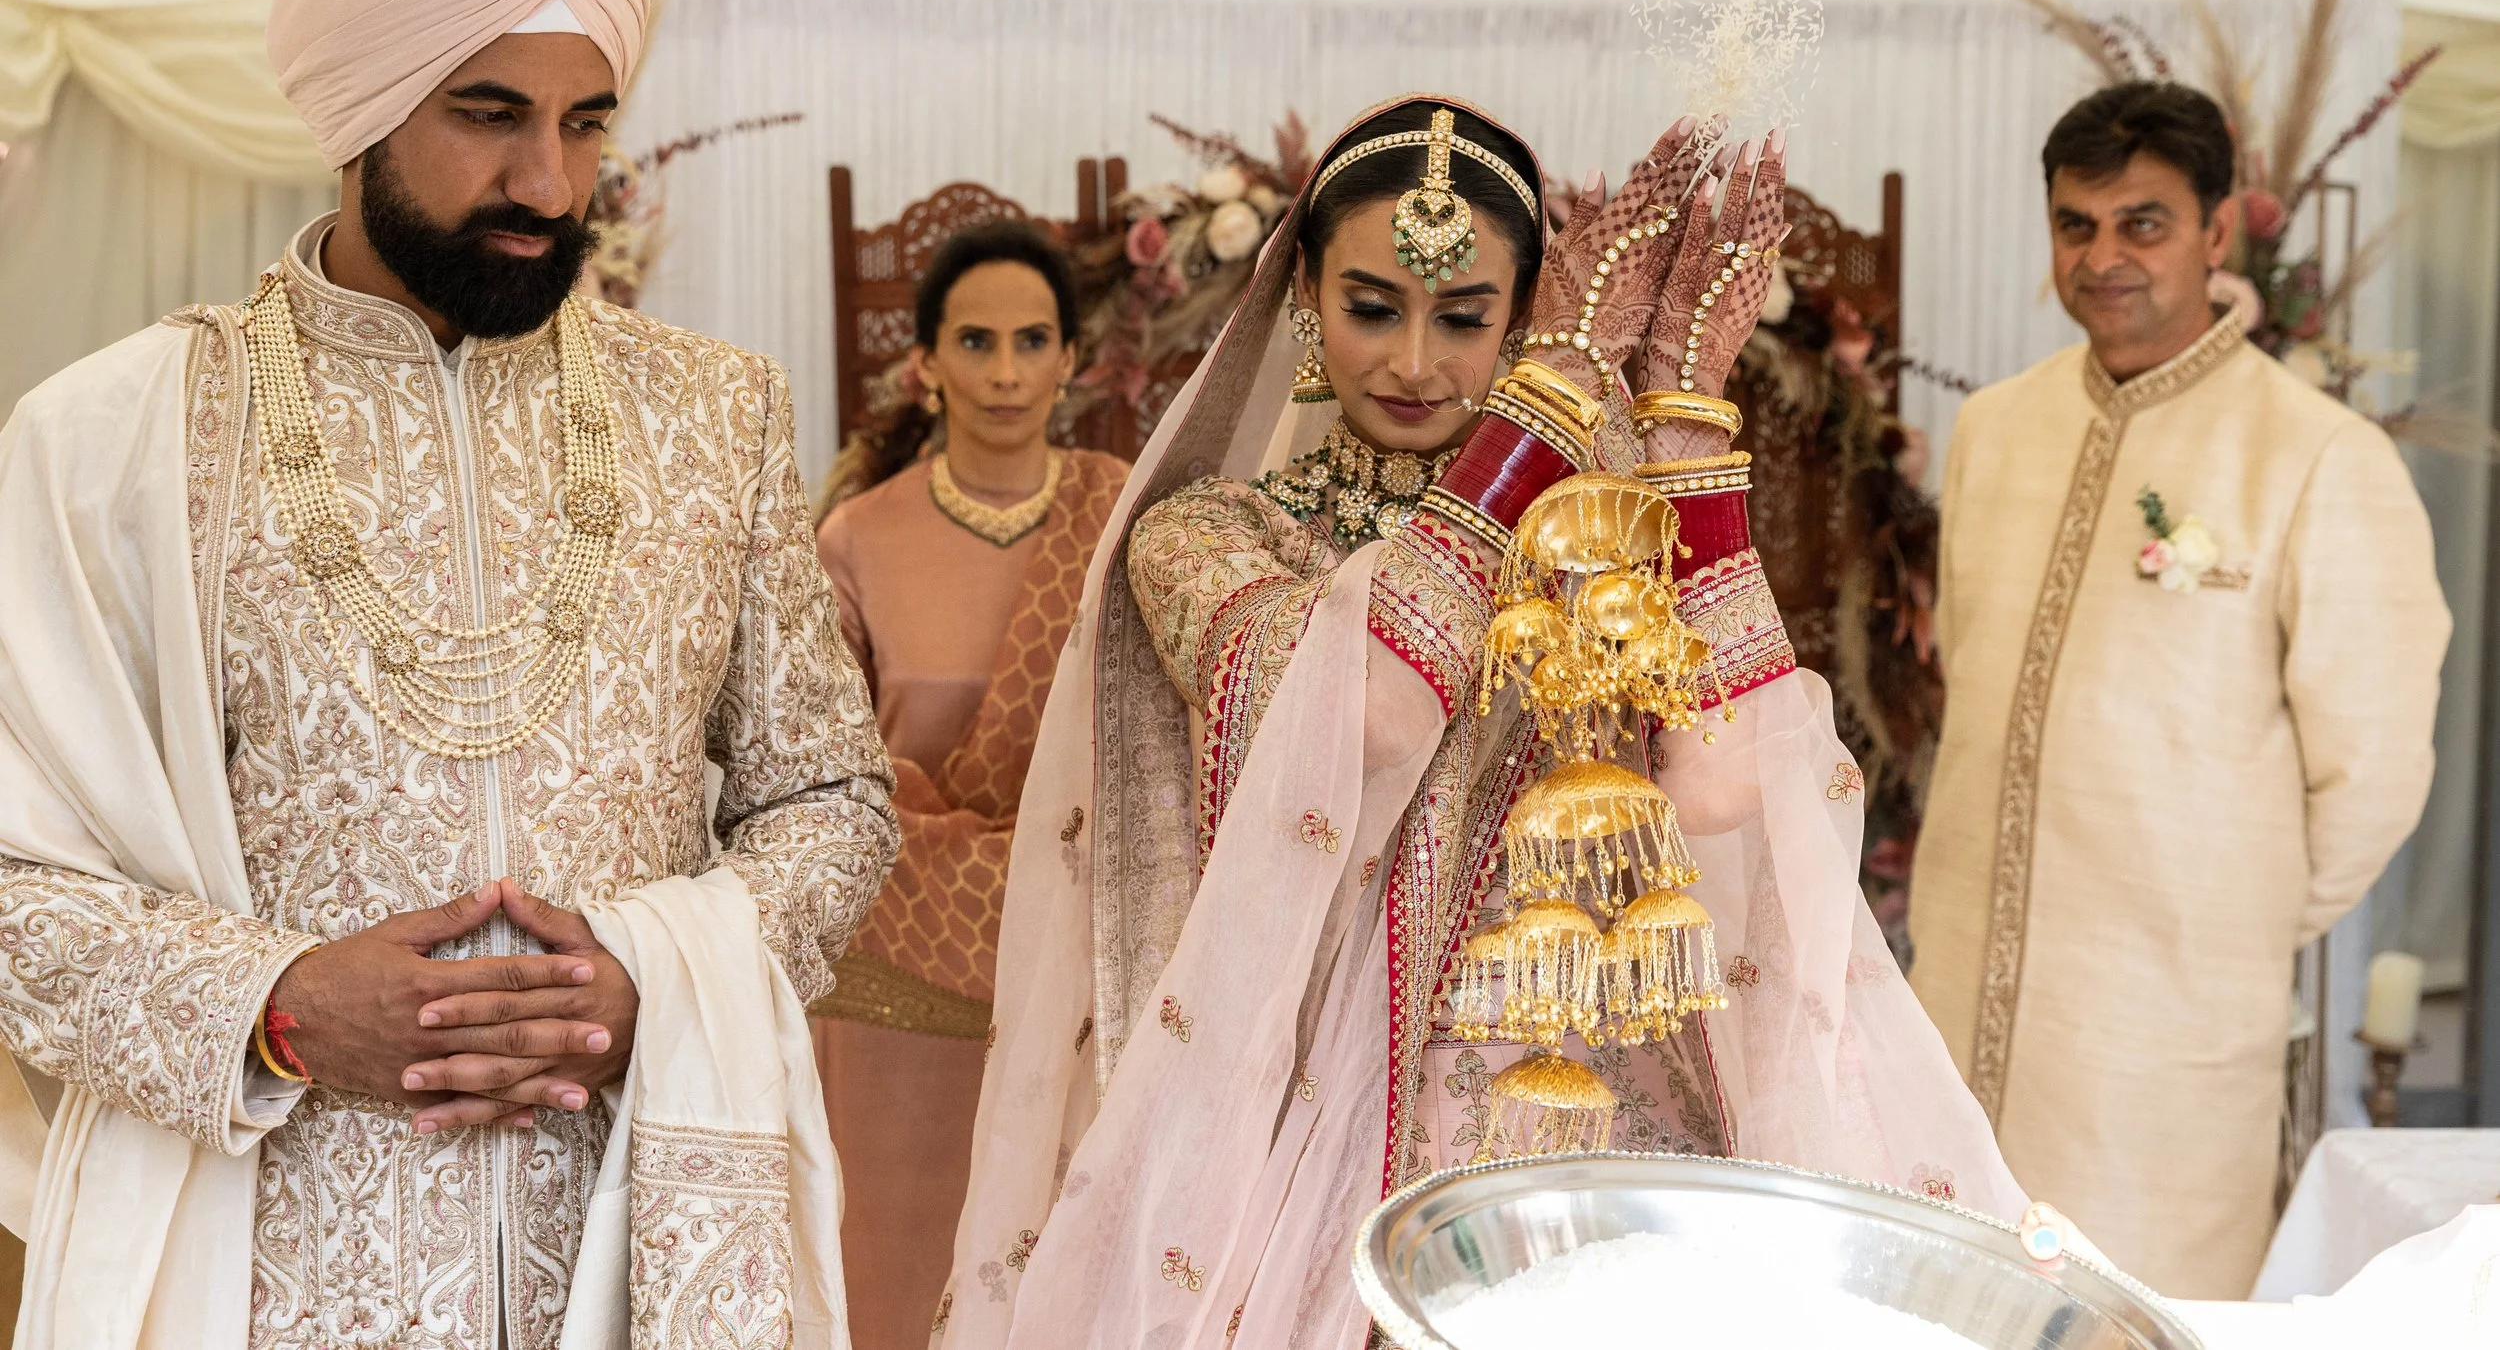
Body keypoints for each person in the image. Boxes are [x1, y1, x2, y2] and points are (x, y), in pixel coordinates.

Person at [941, 97, 2026, 1350]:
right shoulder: (1208, 538)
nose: (1413, 361)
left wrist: (1681, 415)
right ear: (1302, 296)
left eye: (1465, 319)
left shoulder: (1592, 536)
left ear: (1519, 318)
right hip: (1322, 1145)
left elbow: (1732, 783)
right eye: (1371, 306)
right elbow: (1373, 711)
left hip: (1610, 1137)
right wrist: (1551, 405)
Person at [0, 0, 899, 1350]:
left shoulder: (711, 411)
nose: (550, 181)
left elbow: (831, 794)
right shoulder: (118, 435)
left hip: (631, 1233)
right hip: (273, 1261)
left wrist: (651, 986)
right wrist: (276, 1005)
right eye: (489, 112)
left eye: (586, 119)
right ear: (361, 111)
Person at [1910, 80, 2449, 1299]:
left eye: (2141, 223)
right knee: (1940, 1303)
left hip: (2165, 1036)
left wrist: (2224, 917)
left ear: (2217, 234)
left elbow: (2372, 774)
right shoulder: (1993, 429)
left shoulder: (2317, 455)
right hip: (1951, 1001)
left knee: (2141, 1311)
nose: (2103, 257)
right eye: (2074, 223)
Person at [812, 222, 1127, 1350]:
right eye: (976, 341)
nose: (1004, 371)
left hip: (1077, 965)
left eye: (1030, 340)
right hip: (892, 965)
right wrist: (1009, 863)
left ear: (1071, 360)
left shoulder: (1130, 523)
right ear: (926, 362)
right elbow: (822, 764)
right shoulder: (856, 537)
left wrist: (1053, 865)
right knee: (889, 1279)